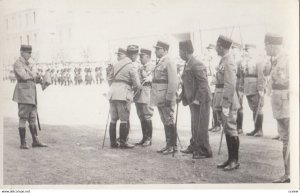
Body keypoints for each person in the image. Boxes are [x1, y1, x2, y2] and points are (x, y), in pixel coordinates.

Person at [178, 40, 213, 159]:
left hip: (201, 100)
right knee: (194, 124)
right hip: (193, 100)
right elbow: (187, 83)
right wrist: (182, 95)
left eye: (180, 51)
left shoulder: (196, 63)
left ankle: (204, 150)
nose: (179, 53)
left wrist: (198, 99)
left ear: (186, 52)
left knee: (201, 125)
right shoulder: (188, 63)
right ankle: (194, 146)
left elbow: (203, 84)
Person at [263, 33, 290, 183]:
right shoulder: (275, 59)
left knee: (290, 139)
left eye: (266, 45)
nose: (265, 49)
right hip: (279, 104)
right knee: (286, 138)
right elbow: (267, 74)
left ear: (272, 45)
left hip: (287, 104)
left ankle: (290, 174)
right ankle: (288, 173)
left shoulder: (288, 58)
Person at [12, 45, 48, 149]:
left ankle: (35, 141)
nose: (30, 54)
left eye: (30, 52)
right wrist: (35, 75)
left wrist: (42, 80)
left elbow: (33, 78)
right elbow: (24, 76)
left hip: (32, 94)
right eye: (28, 52)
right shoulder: (18, 64)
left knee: (32, 117)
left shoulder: (29, 64)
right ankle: (23, 143)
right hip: (23, 94)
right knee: (23, 117)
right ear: (22, 52)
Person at [214, 36, 241, 171]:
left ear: (222, 46)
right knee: (227, 129)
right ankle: (230, 158)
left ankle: (234, 160)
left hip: (227, 100)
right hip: (221, 97)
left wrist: (225, 104)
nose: (216, 48)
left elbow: (230, 84)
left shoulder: (229, 61)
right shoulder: (223, 60)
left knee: (231, 129)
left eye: (217, 46)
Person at [107, 45, 142, 149]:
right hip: (124, 94)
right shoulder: (131, 66)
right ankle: (123, 142)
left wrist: (115, 87)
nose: (137, 57)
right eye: (136, 55)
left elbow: (109, 79)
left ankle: (113, 143)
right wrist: (136, 96)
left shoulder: (116, 64)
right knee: (124, 119)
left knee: (113, 119)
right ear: (134, 55)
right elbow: (137, 85)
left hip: (113, 93)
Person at [151, 41, 178, 155]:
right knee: (164, 120)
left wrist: (169, 97)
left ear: (165, 50)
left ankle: (173, 146)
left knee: (169, 120)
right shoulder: (161, 62)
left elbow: (173, 82)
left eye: (158, 49)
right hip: (159, 97)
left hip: (166, 97)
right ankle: (168, 144)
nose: (155, 51)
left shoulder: (169, 62)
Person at [240, 44, 265, 137]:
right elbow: (243, 75)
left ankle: (260, 130)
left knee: (258, 108)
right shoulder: (246, 61)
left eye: (248, 50)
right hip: (248, 87)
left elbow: (261, 75)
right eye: (246, 50)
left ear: (253, 50)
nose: (246, 52)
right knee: (253, 108)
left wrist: (261, 88)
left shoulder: (258, 60)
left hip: (255, 87)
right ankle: (255, 129)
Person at [134, 48, 155, 146]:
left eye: (141, 56)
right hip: (139, 94)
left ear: (147, 56)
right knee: (141, 116)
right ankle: (144, 137)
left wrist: (152, 79)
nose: (140, 58)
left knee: (147, 115)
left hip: (147, 93)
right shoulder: (140, 68)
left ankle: (148, 139)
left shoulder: (153, 67)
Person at [205, 44, 221, 132]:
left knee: (215, 105)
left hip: (214, 84)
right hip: (209, 84)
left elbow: (216, 73)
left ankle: (218, 125)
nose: (208, 52)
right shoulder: (208, 61)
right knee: (212, 105)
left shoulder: (217, 60)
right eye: (208, 50)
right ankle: (214, 124)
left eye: (210, 50)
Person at [232, 42, 244, 134]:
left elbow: (242, 76)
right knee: (233, 106)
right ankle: (234, 125)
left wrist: (241, 88)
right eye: (232, 48)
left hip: (238, 85)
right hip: (232, 84)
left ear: (239, 50)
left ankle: (240, 127)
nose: (233, 50)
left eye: (235, 49)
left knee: (239, 106)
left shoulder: (241, 61)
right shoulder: (231, 59)